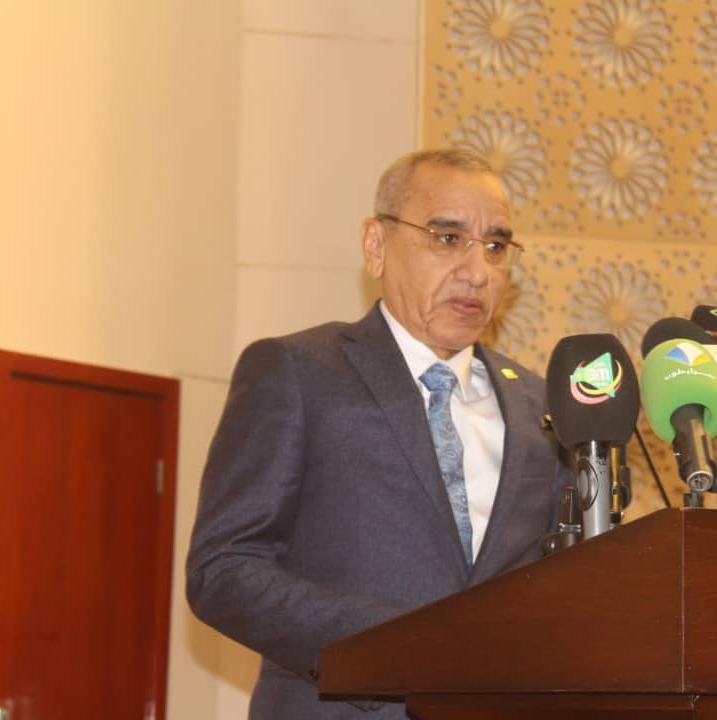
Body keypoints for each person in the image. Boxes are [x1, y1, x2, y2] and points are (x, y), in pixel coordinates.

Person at [186, 148, 570, 719]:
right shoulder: (299, 373)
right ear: (376, 245)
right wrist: (395, 647)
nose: (477, 272)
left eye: (495, 246)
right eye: (447, 238)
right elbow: (223, 569)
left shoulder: (544, 408)